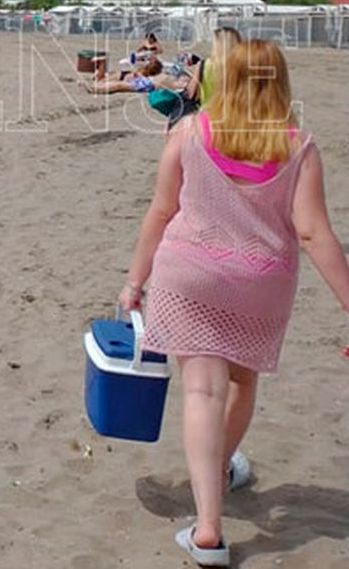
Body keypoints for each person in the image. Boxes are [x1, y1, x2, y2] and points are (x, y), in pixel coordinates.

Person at [117, 39, 349, 565]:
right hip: (260, 284)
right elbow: (314, 235)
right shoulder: (299, 147)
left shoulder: (188, 133)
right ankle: (219, 471)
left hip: (190, 275)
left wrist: (135, 281)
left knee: (201, 392)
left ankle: (208, 528)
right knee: (241, 383)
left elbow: (160, 210)